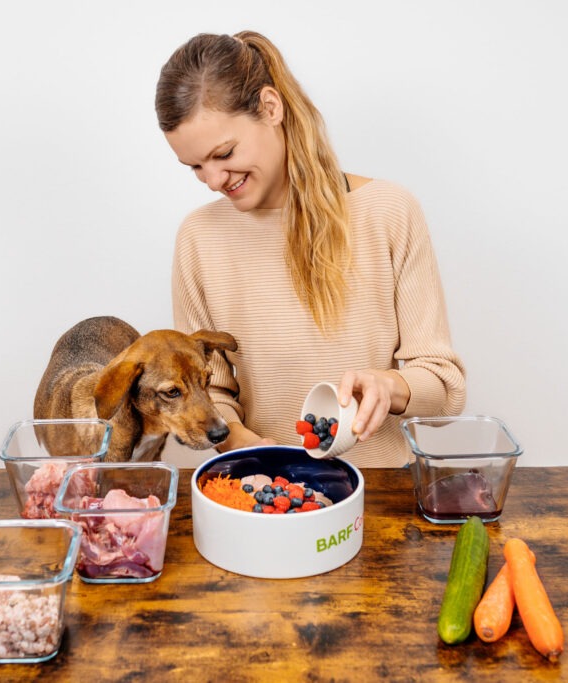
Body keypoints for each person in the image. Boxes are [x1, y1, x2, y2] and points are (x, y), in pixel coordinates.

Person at [154, 30, 466, 467]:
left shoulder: (388, 211)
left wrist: (389, 387)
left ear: (270, 107)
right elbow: (213, 396)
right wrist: (252, 451)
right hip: (264, 492)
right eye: (195, 167)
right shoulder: (198, 238)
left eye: (224, 153)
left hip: (379, 495)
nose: (213, 180)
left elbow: (444, 385)